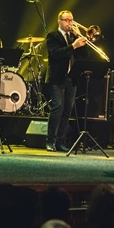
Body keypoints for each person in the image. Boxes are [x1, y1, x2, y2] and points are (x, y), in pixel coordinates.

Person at [45, 10, 88, 152]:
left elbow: (84, 55)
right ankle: (50, 141)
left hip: (72, 78)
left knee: (67, 111)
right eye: (67, 20)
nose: (70, 23)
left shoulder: (73, 37)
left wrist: (81, 40)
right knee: (57, 107)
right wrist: (73, 46)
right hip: (57, 77)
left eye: (71, 20)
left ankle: (59, 141)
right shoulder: (53, 36)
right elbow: (55, 54)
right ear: (59, 21)